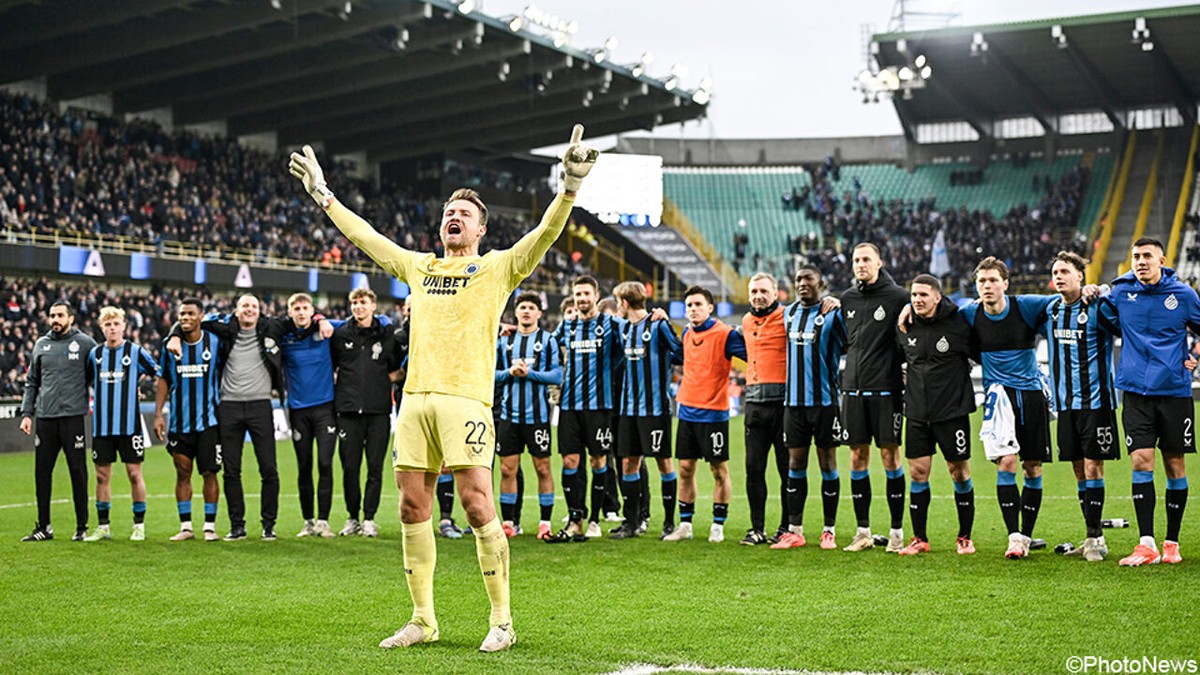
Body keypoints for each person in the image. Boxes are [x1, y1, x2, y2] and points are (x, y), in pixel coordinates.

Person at [289, 124, 597, 652]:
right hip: (414, 402)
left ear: (481, 229)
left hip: (465, 401)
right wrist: (323, 194)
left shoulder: (497, 268)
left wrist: (569, 186)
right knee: (412, 508)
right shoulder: (419, 267)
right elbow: (366, 237)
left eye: (465, 214)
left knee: (477, 504)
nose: (454, 217)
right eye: (449, 212)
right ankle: (422, 620)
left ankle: (502, 621)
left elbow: (545, 234)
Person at [1100, 238, 1200, 566]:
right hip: (1135, 393)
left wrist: (1195, 358)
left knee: (1174, 464)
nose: (1141, 261)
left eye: (1147, 256)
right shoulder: (1121, 292)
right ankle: (1146, 544)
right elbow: (1102, 312)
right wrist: (1091, 291)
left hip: (1173, 392)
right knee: (1141, 461)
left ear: (1162, 261)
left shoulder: (1183, 295)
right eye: (1136, 256)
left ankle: (1172, 543)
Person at [960, 257, 1056, 559]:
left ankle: (1026, 535)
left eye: (992, 280)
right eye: (982, 281)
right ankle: (1014, 536)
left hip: (1030, 395)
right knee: (1007, 463)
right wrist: (908, 309)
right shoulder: (970, 313)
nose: (987, 286)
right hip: (999, 399)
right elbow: (938, 313)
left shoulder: (1025, 306)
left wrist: (1092, 289)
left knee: (1033, 466)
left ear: (1005, 283)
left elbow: (1061, 299)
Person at [171, 294, 287, 541]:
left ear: (260, 311)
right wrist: (174, 335)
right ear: (236, 310)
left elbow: (300, 320)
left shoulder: (271, 327)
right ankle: (237, 526)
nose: (249, 310)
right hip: (229, 407)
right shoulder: (224, 327)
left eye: (254, 306)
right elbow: (191, 321)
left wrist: (320, 320)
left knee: (269, 468)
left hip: (260, 405)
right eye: (245, 306)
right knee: (231, 470)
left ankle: (268, 525)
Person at [1040, 252, 1120, 561]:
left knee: (1093, 465)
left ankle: (1094, 538)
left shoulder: (1097, 306)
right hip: (1065, 405)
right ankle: (1093, 537)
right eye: (1055, 272)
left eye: (1064, 271)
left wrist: (1105, 289)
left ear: (1080, 276)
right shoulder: (1052, 310)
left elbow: (1125, 320)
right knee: (1077, 468)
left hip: (1096, 402)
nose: (1058, 277)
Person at [894, 275, 978, 556]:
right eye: (914, 295)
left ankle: (964, 537)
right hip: (917, 412)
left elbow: (980, 354)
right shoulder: (905, 325)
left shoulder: (958, 323)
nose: (917, 299)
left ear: (937, 297)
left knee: (959, 472)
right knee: (917, 473)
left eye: (923, 295)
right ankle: (920, 538)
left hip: (952, 413)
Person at [839, 243, 910, 552]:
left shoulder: (899, 297)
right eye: (856, 260)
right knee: (857, 456)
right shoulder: (847, 298)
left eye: (866, 259)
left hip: (886, 391)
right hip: (853, 391)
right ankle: (863, 532)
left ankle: (896, 533)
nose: (860, 264)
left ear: (879, 262)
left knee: (890, 457)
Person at [770, 266, 846, 551]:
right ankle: (795, 530)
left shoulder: (833, 314)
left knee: (827, 464)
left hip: (825, 403)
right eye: (798, 279)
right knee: (795, 464)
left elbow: (852, 339)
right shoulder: (788, 313)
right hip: (794, 404)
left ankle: (829, 530)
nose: (802, 283)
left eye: (808, 279)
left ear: (821, 284)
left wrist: (839, 302)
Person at [547, 276, 624, 542]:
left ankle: (594, 520)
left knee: (598, 461)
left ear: (596, 296)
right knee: (570, 461)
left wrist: (654, 316)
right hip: (569, 406)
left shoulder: (611, 324)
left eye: (586, 294)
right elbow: (546, 344)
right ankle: (575, 519)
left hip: (599, 407)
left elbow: (633, 332)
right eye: (578, 294)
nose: (582, 298)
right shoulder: (567, 325)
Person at [669, 286, 745, 543]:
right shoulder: (687, 333)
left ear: (710, 308)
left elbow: (752, 355)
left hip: (714, 414)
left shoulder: (725, 334)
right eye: (689, 305)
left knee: (718, 470)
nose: (693, 309)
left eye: (698, 304)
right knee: (685, 468)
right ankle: (685, 525)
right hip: (687, 411)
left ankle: (718, 525)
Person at [19, 300, 98, 542]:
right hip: (45, 418)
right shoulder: (41, 345)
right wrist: (27, 413)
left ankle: (81, 527)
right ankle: (44, 527)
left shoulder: (86, 344)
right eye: (52, 315)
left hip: (73, 418)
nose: (55, 319)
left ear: (71, 318)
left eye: (60, 315)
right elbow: (32, 382)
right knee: (42, 472)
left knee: (78, 471)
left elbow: (98, 374)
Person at [82, 306, 160, 542]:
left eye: (116, 324)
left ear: (124, 326)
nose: (112, 328)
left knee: (134, 474)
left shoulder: (135, 352)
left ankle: (139, 526)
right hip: (102, 426)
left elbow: (158, 373)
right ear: (101, 328)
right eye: (108, 324)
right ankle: (103, 527)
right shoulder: (94, 354)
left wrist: (141, 388)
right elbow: (86, 381)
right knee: (101, 476)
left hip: (130, 426)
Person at [612, 281, 682, 540]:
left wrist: (668, 322)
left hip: (655, 409)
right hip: (628, 410)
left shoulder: (658, 325)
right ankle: (631, 523)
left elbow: (681, 353)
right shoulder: (623, 328)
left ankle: (669, 522)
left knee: (663, 462)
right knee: (629, 463)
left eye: (618, 302)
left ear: (625, 303)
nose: (617, 307)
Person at [331, 287, 402, 538]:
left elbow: (398, 367)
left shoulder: (386, 335)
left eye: (363, 302)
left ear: (373, 306)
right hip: (348, 411)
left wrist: (384, 381)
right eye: (355, 303)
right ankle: (352, 518)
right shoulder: (341, 334)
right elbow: (331, 365)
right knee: (350, 468)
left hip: (378, 411)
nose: (358, 307)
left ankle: (369, 518)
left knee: (374, 468)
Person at [155, 298, 223, 542]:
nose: (185, 318)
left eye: (190, 314)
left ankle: (209, 527)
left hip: (209, 423)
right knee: (182, 472)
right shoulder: (169, 345)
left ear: (200, 316)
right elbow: (163, 379)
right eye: (182, 314)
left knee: (210, 473)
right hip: (179, 423)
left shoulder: (215, 342)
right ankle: (186, 527)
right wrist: (158, 414)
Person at [495, 293, 562, 540]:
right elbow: (491, 374)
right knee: (507, 470)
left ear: (539, 313)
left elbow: (557, 375)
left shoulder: (548, 340)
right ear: (515, 312)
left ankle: (545, 523)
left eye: (531, 307)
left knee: (543, 469)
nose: (526, 311)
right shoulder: (504, 342)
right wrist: (510, 372)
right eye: (522, 307)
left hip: (538, 417)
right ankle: (509, 523)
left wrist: (529, 374)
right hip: (508, 416)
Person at [279, 292, 338, 539]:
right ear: (290, 312)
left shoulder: (326, 330)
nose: (301, 312)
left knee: (325, 464)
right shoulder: (284, 336)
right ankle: (308, 521)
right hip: (298, 410)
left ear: (312, 311)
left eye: (305, 308)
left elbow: (358, 323)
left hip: (325, 408)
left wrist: (323, 320)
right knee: (304, 466)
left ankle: (323, 521)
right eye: (297, 308)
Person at [739, 273, 791, 545]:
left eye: (763, 291)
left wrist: (832, 301)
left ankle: (786, 527)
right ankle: (756, 528)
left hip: (783, 406)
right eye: (754, 291)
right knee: (753, 468)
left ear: (776, 293)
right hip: (755, 405)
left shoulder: (789, 316)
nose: (758, 296)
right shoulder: (746, 321)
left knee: (786, 469)